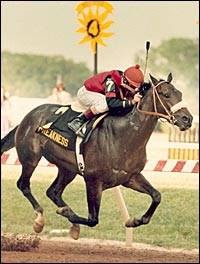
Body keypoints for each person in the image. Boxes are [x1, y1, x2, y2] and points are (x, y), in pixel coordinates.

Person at [68, 64, 144, 137]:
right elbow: (111, 103)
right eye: (133, 87)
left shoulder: (123, 81)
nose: (135, 89)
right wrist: (132, 101)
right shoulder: (111, 81)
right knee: (105, 105)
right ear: (125, 81)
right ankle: (78, 121)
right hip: (86, 93)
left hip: (99, 95)